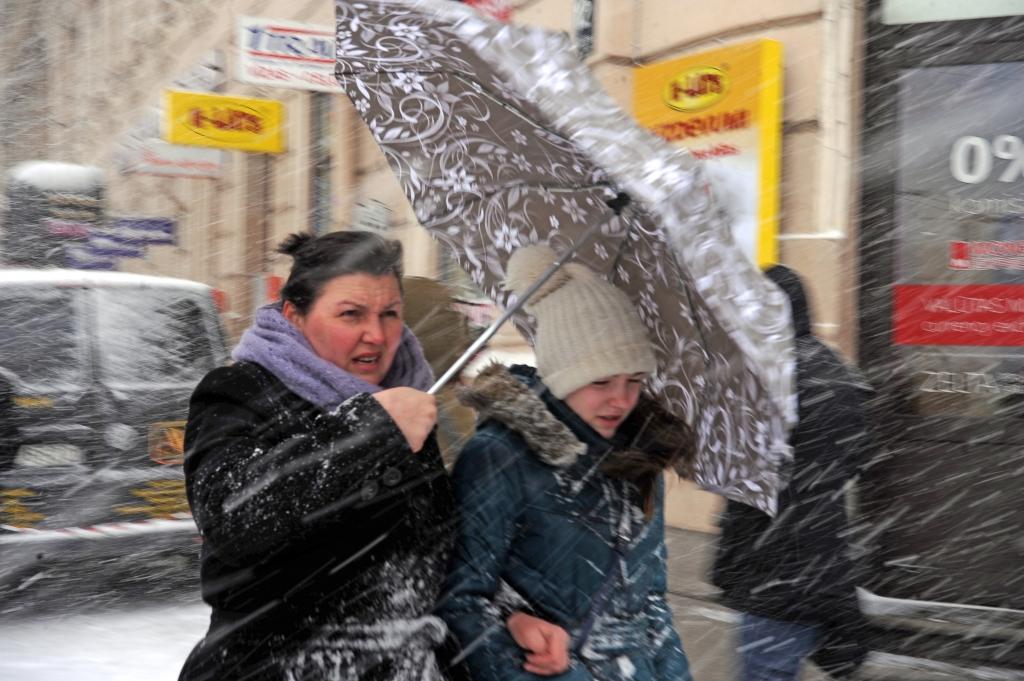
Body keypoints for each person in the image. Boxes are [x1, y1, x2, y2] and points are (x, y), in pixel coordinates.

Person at [179, 230, 460, 681]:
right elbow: (233, 515)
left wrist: (507, 616)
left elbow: (427, 556)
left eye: (390, 313)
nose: (378, 334)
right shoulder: (238, 392)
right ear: (295, 315)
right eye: (351, 314)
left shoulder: (405, 398)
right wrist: (370, 431)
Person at [438, 244, 694, 681]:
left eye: (634, 381)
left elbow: (651, 604)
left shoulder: (640, 461)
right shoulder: (500, 456)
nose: (621, 400)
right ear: (562, 372)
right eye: (600, 381)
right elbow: (461, 603)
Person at [711, 264, 873, 681]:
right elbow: (855, 459)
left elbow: (740, 480)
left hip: (774, 574)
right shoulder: (836, 372)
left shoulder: (768, 381)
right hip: (821, 564)